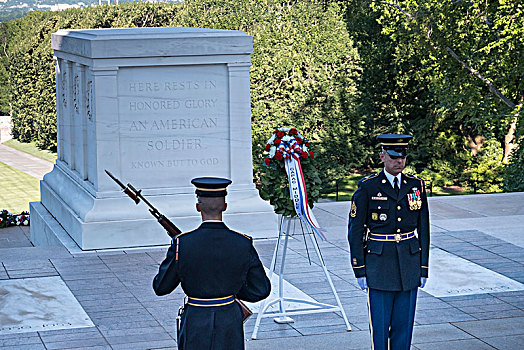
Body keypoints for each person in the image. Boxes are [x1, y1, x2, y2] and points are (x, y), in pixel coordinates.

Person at [153, 177, 271, 350]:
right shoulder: (242, 243)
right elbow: (261, 289)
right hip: (229, 318)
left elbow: (161, 287)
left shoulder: (182, 243)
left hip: (196, 318)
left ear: (198, 207)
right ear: (225, 206)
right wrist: (231, 292)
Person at [348, 134, 430, 350]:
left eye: (402, 157)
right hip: (379, 265)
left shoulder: (416, 185)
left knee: (404, 328)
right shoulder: (368, 187)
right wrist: (359, 269)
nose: (399, 161)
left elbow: (424, 229)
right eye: (394, 157)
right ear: (382, 156)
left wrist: (423, 267)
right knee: (381, 327)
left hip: (409, 263)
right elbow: (355, 231)